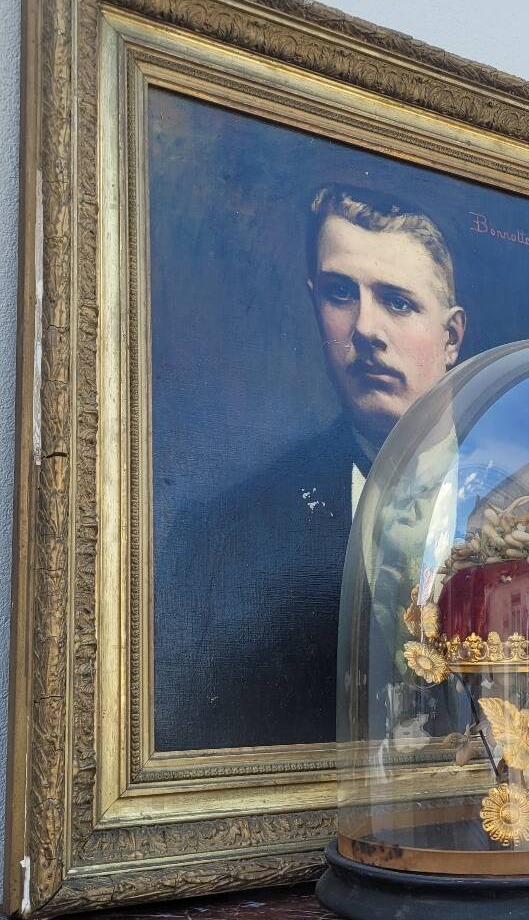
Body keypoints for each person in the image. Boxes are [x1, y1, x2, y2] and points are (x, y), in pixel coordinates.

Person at [154, 185, 466, 751]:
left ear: (451, 338)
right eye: (340, 293)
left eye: (397, 302)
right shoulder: (222, 537)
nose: (366, 330)